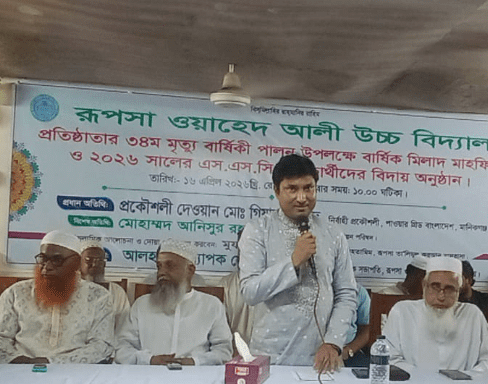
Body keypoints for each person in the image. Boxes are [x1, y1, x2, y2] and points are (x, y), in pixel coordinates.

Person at [239, 154, 357, 372]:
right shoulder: (258, 230)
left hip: (322, 358)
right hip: (271, 356)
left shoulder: (333, 233)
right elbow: (249, 292)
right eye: (292, 189)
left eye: (308, 188)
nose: (302, 198)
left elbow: (347, 294)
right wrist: (293, 262)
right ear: (277, 191)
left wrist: (333, 343)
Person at [0, 231, 114, 364]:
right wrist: (18, 361)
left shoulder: (98, 296)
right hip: (20, 368)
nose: (47, 267)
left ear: (76, 263)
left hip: (74, 370)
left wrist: (51, 362)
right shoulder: (16, 293)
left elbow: (101, 346)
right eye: (43, 259)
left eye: (57, 260)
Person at [115, 239, 232, 365]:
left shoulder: (212, 305)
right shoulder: (141, 305)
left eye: (170, 266)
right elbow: (122, 349)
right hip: (149, 373)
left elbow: (224, 352)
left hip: (195, 374)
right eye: (159, 266)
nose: (162, 272)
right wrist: (150, 360)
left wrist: (195, 362)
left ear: (190, 270)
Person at [384, 257, 488, 372]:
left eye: (449, 289)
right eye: (435, 287)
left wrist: (468, 376)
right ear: (424, 286)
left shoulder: (472, 314)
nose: (441, 297)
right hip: (413, 381)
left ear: (459, 290)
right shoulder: (402, 311)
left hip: (463, 383)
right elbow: (388, 358)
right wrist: (421, 376)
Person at [79, 240, 130, 333]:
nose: (94, 264)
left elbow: (123, 327)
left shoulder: (117, 292)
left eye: (99, 260)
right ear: (79, 263)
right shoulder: (70, 290)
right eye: (88, 260)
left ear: (105, 264)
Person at [342, 284, 371, 367]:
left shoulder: (359, 292)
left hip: (347, 350)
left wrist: (348, 350)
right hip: (313, 350)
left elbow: (366, 330)